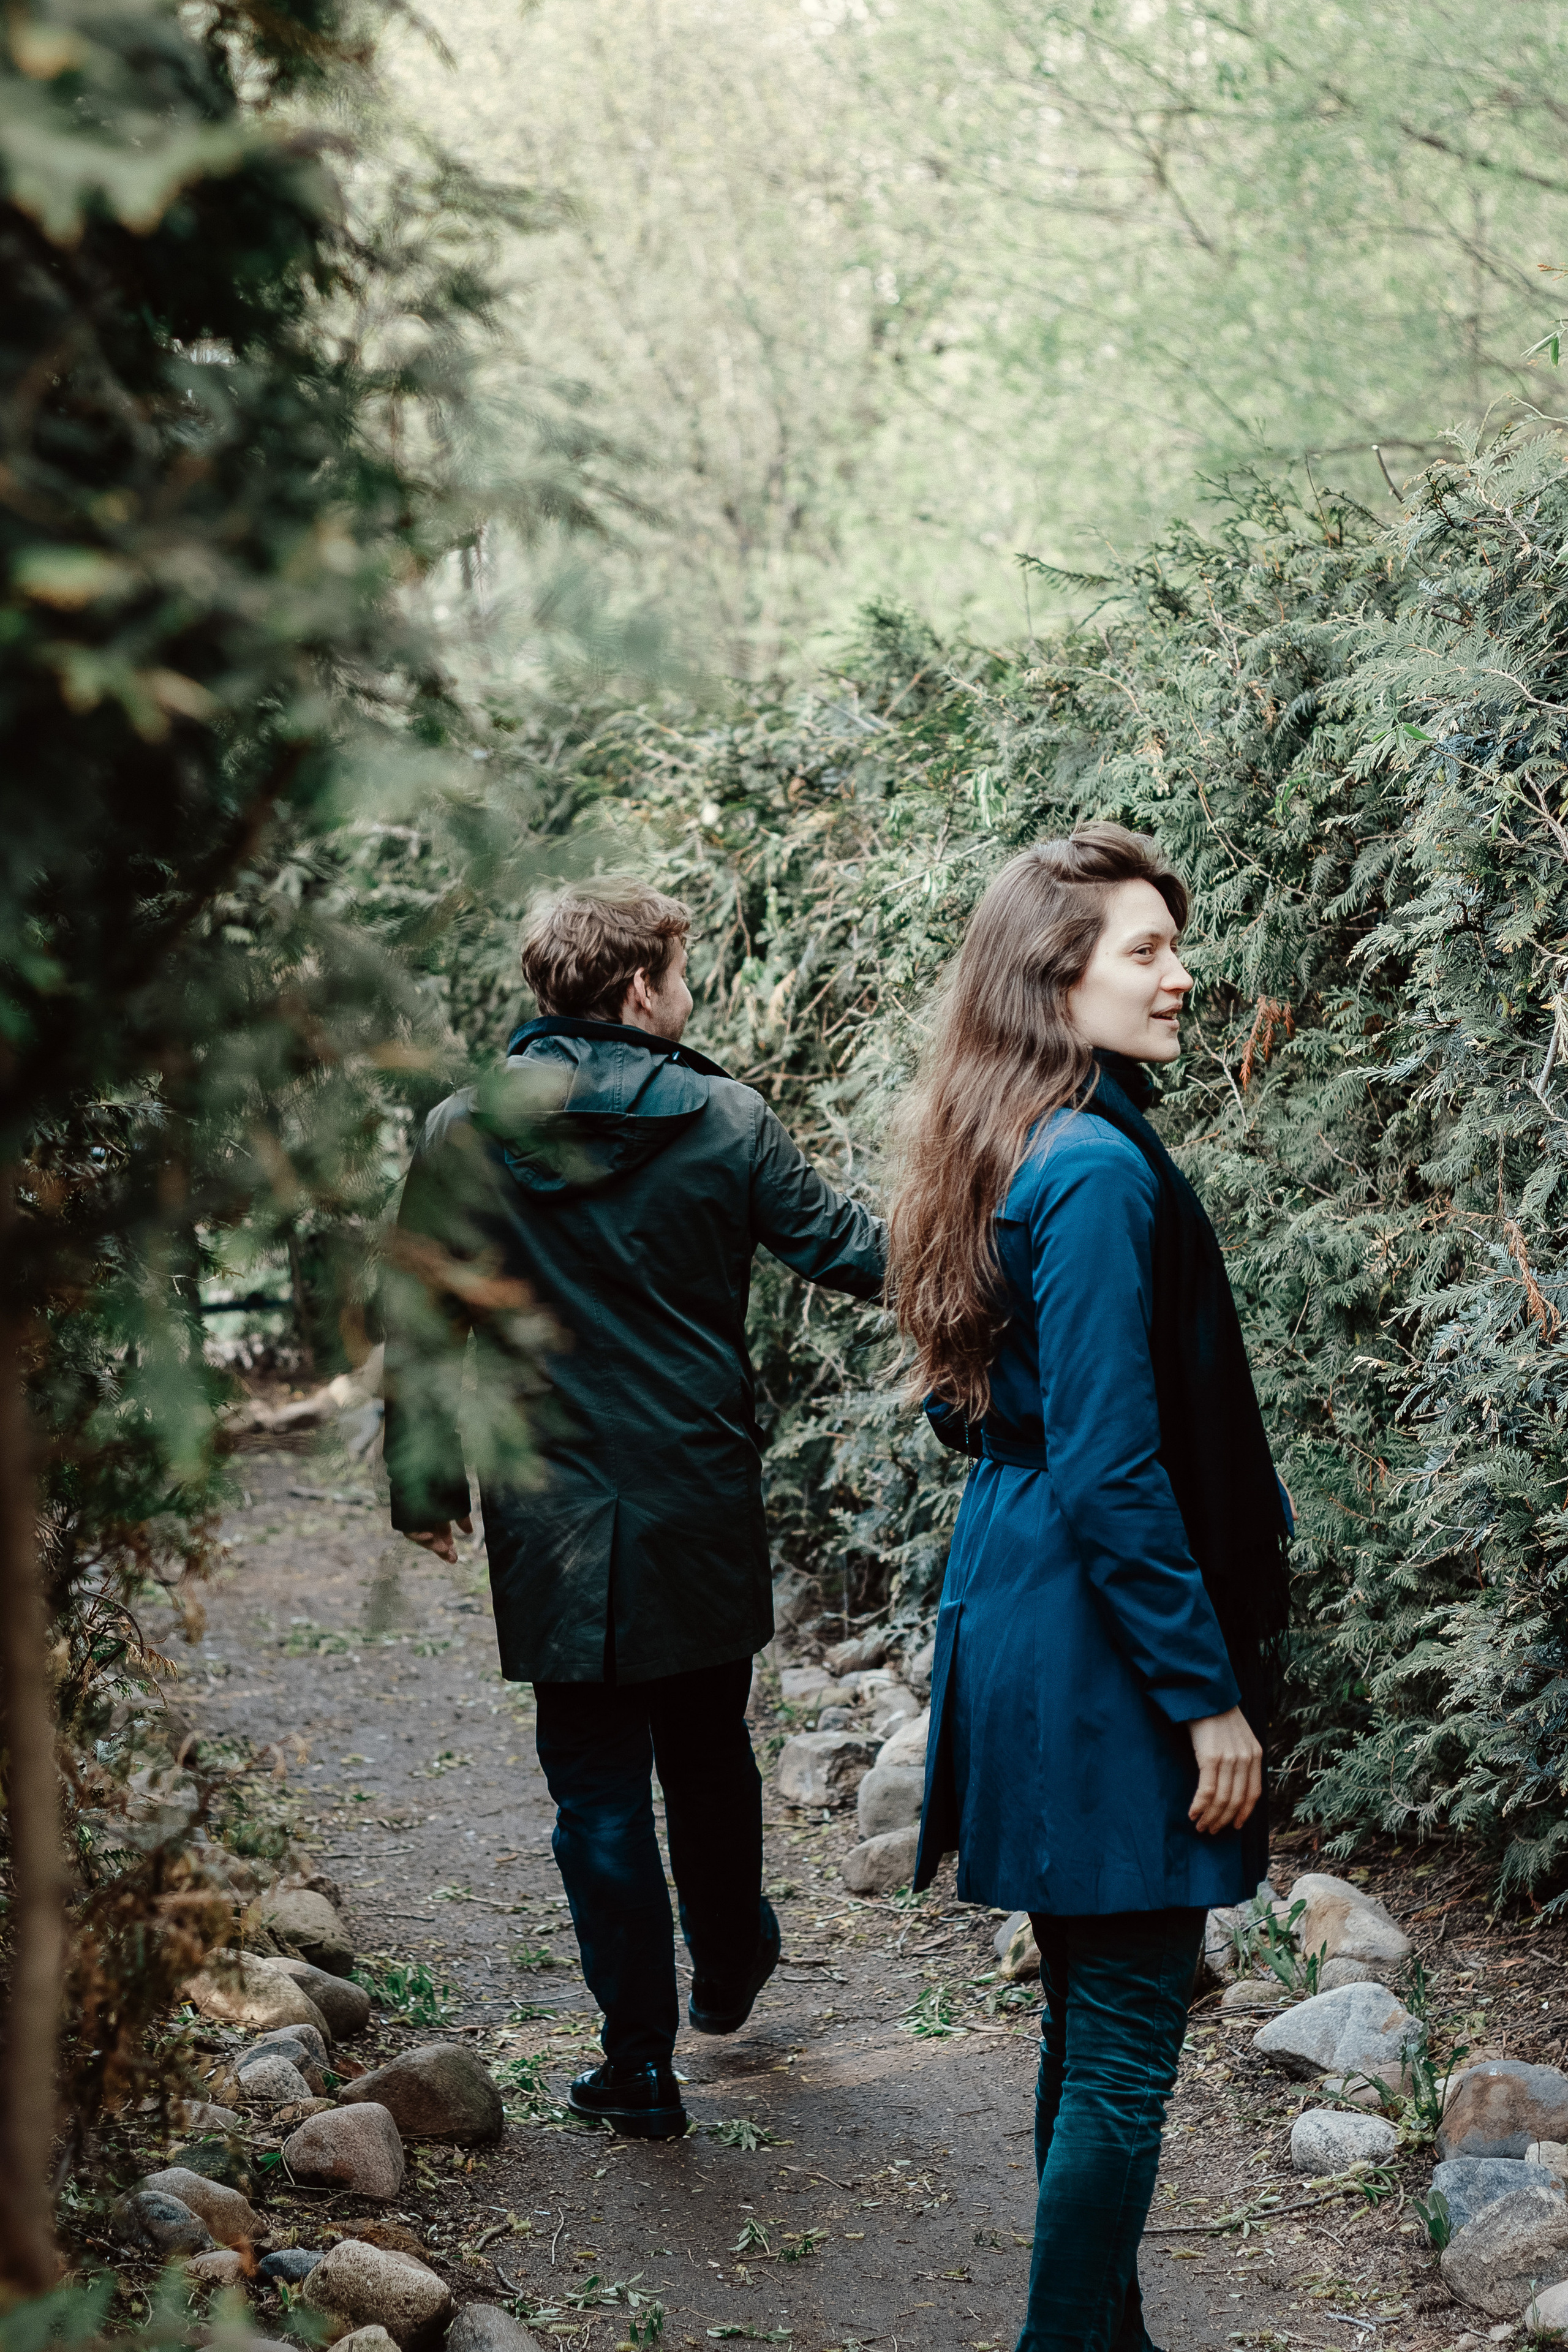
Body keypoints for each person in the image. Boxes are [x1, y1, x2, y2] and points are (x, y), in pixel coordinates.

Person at [382, 878, 886, 2141]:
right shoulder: (727, 1120)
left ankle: (638, 2065)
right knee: (710, 1747)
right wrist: (1004, 1253)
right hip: (693, 1491)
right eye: (677, 967)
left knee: (594, 1787)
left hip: (547, 1508)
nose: (688, 987)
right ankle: (729, 1960)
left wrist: (425, 1486)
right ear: (636, 988)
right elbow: (848, 1250)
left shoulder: (460, 1129)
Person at [888, 823, 1291, 2352]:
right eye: (1145, 950)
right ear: (1053, 979)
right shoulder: (1096, 1167)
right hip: (1103, 1637)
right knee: (1125, 2040)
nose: (1180, 976)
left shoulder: (1003, 1136)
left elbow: (973, 1404)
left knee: (1089, 2006)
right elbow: (1119, 1468)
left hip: (1018, 1599)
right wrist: (1206, 1699)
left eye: (1171, 946)